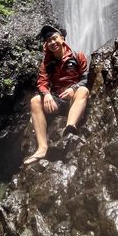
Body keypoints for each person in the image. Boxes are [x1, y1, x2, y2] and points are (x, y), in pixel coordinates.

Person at [23, 24, 90, 165]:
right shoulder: (46, 64)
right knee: (35, 100)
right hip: (57, 101)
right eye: (49, 41)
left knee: (83, 90)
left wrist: (74, 88)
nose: (53, 43)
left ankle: (69, 128)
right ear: (46, 45)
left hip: (74, 99)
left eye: (55, 38)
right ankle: (42, 148)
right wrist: (46, 94)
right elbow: (42, 83)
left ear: (62, 38)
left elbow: (86, 78)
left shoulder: (77, 56)